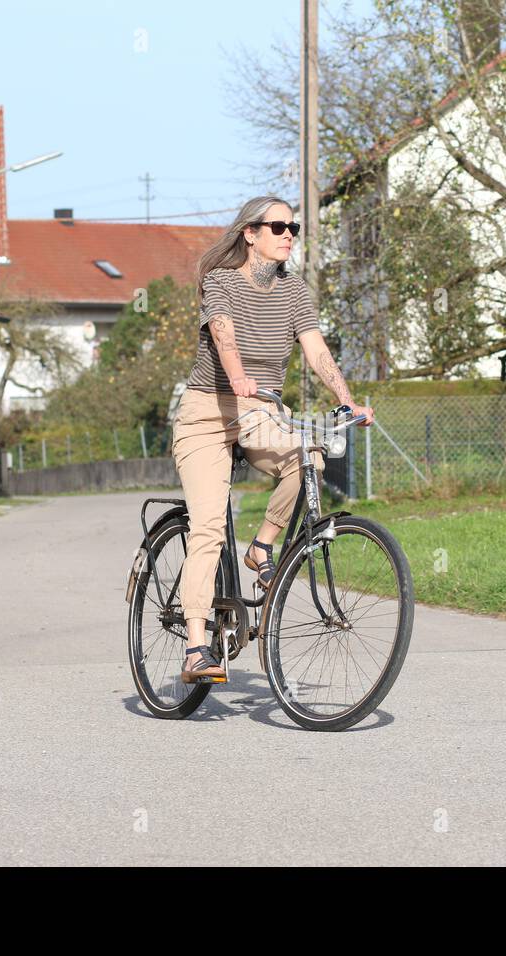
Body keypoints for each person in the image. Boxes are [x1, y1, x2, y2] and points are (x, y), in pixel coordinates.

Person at [171, 195, 374, 683]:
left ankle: (262, 548)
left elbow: (317, 350)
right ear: (250, 233)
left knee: (310, 456)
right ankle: (197, 647)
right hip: (206, 411)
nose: (288, 235)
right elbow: (223, 333)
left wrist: (347, 400)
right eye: (278, 226)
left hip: (259, 411)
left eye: (294, 228)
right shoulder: (220, 281)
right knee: (208, 528)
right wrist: (238, 377)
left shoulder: (294, 290)